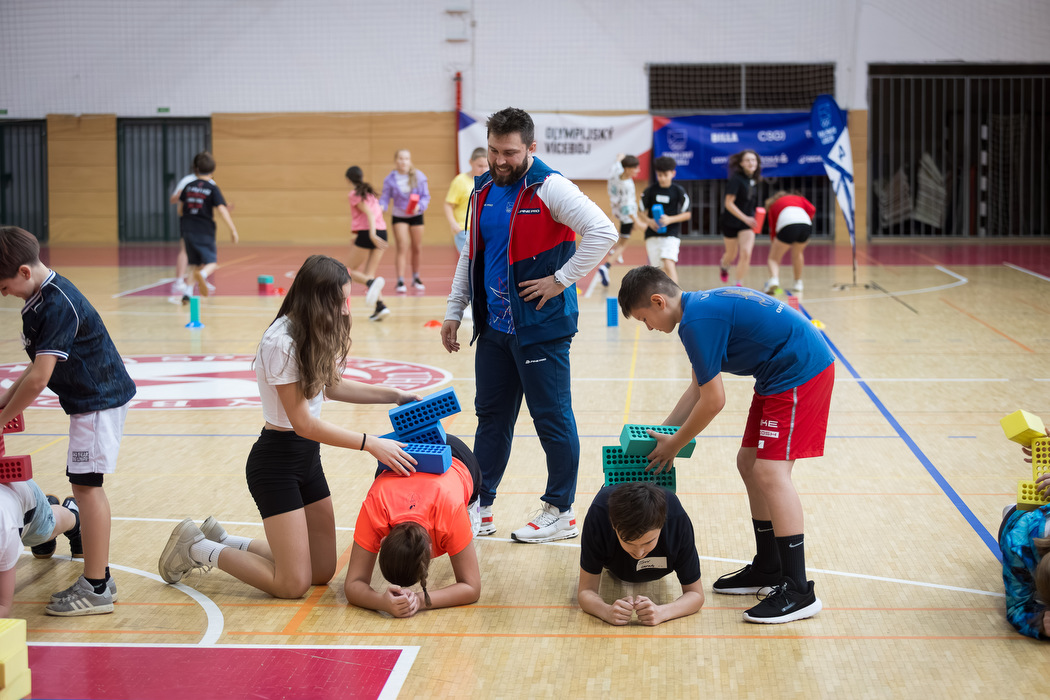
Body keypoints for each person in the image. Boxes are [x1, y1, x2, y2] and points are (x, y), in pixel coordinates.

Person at [158, 255, 420, 599]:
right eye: (341, 301)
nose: (345, 310)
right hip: (276, 465)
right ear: (318, 300)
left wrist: (395, 395)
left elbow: (332, 386)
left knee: (321, 571)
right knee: (292, 584)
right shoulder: (280, 341)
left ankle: (223, 540)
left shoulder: (312, 329)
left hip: (307, 460)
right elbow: (304, 423)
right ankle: (195, 548)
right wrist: (369, 443)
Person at [616, 266, 835, 624]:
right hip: (777, 375)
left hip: (800, 370)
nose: (649, 328)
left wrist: (674, 445)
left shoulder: (695, 324)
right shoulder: (697, 311)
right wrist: (658, 435)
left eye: (644, 319)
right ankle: (768, 566)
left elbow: (714, 401)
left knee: (770, 472)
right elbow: (697, 389)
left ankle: (798, 589)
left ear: (658, 301)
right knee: (748, 463)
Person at [441, 107, 618, 543]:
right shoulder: (482, 188)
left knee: (551, 419)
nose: (500, 160)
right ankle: (480, 506)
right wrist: (454, 308)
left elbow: (603, 232)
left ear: (531, 148)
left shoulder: (550, 186)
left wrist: (561, 280)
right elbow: (471, 254)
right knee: (491, 419)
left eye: (510, 152)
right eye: (493, 150)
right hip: (494, 330)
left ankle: (561, 511)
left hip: (541, 328)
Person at [0, 225, 137, 616]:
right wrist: (4, 401)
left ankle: (96, 587)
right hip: (87, 403)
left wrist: (3, 418)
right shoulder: (38, 300)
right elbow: (33, 369)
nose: (4, 294)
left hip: (97, 402)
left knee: (87, 489)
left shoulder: (58, 303)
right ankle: (100, 578)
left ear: (24, 272)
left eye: (4, 286)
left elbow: (40, 378)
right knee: (84, 486)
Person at [344, 435, 482, 617]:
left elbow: (472, 588)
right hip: (402, 451)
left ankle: (481, 503)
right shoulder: (375, 506)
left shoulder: (450, 512)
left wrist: (420, 600)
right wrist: (382, 602)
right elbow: (352, 585)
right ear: (383, 541)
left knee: (468, 513)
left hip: (457, 457)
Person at [577, 482, 704, 626]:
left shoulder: (677, 520)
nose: (639, 553)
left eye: (648, 542)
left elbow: (696, 595)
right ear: (613, 525)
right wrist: (605, 611)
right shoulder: (599, 515)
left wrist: (662, 612)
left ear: (662, 524)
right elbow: (585, 591)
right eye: (629, 542)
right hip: (613, 566)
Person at [0, 482, 82, 618]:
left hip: (27, 502)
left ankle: (75, 516)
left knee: (47, 529)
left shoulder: (5, 527)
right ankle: (47, 505)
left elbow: (3, 605)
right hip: (13, 498)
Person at [998, 435, 1050, 640]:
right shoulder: (1018, 546)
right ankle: (1010, 510)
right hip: (1017, 521)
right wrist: (1041, 624)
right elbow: (1017, 608)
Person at [176, 152, 239, 302]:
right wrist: (233, 230)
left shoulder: (188, 187)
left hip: (187, 229)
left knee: (196, 264)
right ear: (213, 169)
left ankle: (187, 293)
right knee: (211, 263)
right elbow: (222, 210)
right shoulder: (212, 188)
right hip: (204, 230)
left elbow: (180, 210)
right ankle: (203, 275)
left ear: (196, 168)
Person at [380, 150, 430, 294]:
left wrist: (419, 206)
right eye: (401, 158)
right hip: (399, 215)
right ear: (396, 160)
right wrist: (381, 206)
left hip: (416, 215)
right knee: (402, 246)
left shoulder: (419, 176)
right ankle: (400, 280)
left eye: (406, 158)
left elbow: (425, 196)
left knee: (417, 247)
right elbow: (384, 197)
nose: (403, 161)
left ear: (410, 160)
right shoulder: (390, 179)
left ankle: (416, 277)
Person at [345, 166, 391, 322]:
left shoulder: (354, 194)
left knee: (347, 271)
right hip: (382, 232)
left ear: (348, 179)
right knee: (369, 272)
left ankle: (371, 283)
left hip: (369, 233)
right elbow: (376, 212)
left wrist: (371, 234)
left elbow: (370, 214)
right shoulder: (370, 194)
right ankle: (380, 306)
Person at [169, 152, 216, 299]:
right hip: (189, 222)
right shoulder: (187, 181)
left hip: (203, 224)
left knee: (201, 257)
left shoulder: (211, 183)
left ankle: (200, 279)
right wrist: (179, 196)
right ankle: (179, 282)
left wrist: (224, 208)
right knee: (185, 251)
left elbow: (214, 203)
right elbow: (173, 199)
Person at [639, 156, 691, 285]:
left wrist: (669, 219)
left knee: (668, 262)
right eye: (659, 175)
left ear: (673, 173)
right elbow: (640, 211)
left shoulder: (678, 191)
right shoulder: (650, 191)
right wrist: (649, 221)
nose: (662, 178)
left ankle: (676, 294)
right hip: (652, 235)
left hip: (671, 234)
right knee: (658, 270)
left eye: (665, 175)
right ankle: (663, 294)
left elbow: (687, 214)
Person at [596, 154, 643, 288]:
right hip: (626, 215)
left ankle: (615, 251)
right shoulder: (626, 185)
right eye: (635, 168)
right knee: (623, 244)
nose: (638, 170)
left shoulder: (616, 170)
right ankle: (607, 265)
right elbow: (627, 207)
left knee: (624, 237)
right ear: (627, 169)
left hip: (616, 209)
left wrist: (620, 157)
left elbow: (618, 159)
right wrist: (637, 221)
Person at [718, 149, 761, 287]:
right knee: (731, 254)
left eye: (753, 160)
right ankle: (724, 265)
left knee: (746, 253)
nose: (751, 163)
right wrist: (745, 218)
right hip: (731, 222)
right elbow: (728, 203)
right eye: (747, 160)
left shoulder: (753, 180)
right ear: (741, 163)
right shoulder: (736, 179)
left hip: (747, 223)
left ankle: (738, 284)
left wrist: (751, 218)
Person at [763, 191, 816, 295]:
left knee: (773, 258)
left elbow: (773, 227)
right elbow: (812, 209)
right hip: (805, 224)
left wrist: (774, 242)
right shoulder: (798, 198)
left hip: (787, 224)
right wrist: (806, 220)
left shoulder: (773, 205)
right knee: (798, 254)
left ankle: (774, 280)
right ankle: (798, 283)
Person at [444, 147, 489, 256]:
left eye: (486, 166)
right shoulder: (460, 181)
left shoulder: (490, 182)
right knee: (471, 260)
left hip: (483, 230)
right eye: (480, 166)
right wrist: (453, 224)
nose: (483, 169)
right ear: (470, 162)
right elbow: (448, 204)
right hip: (465, 230)